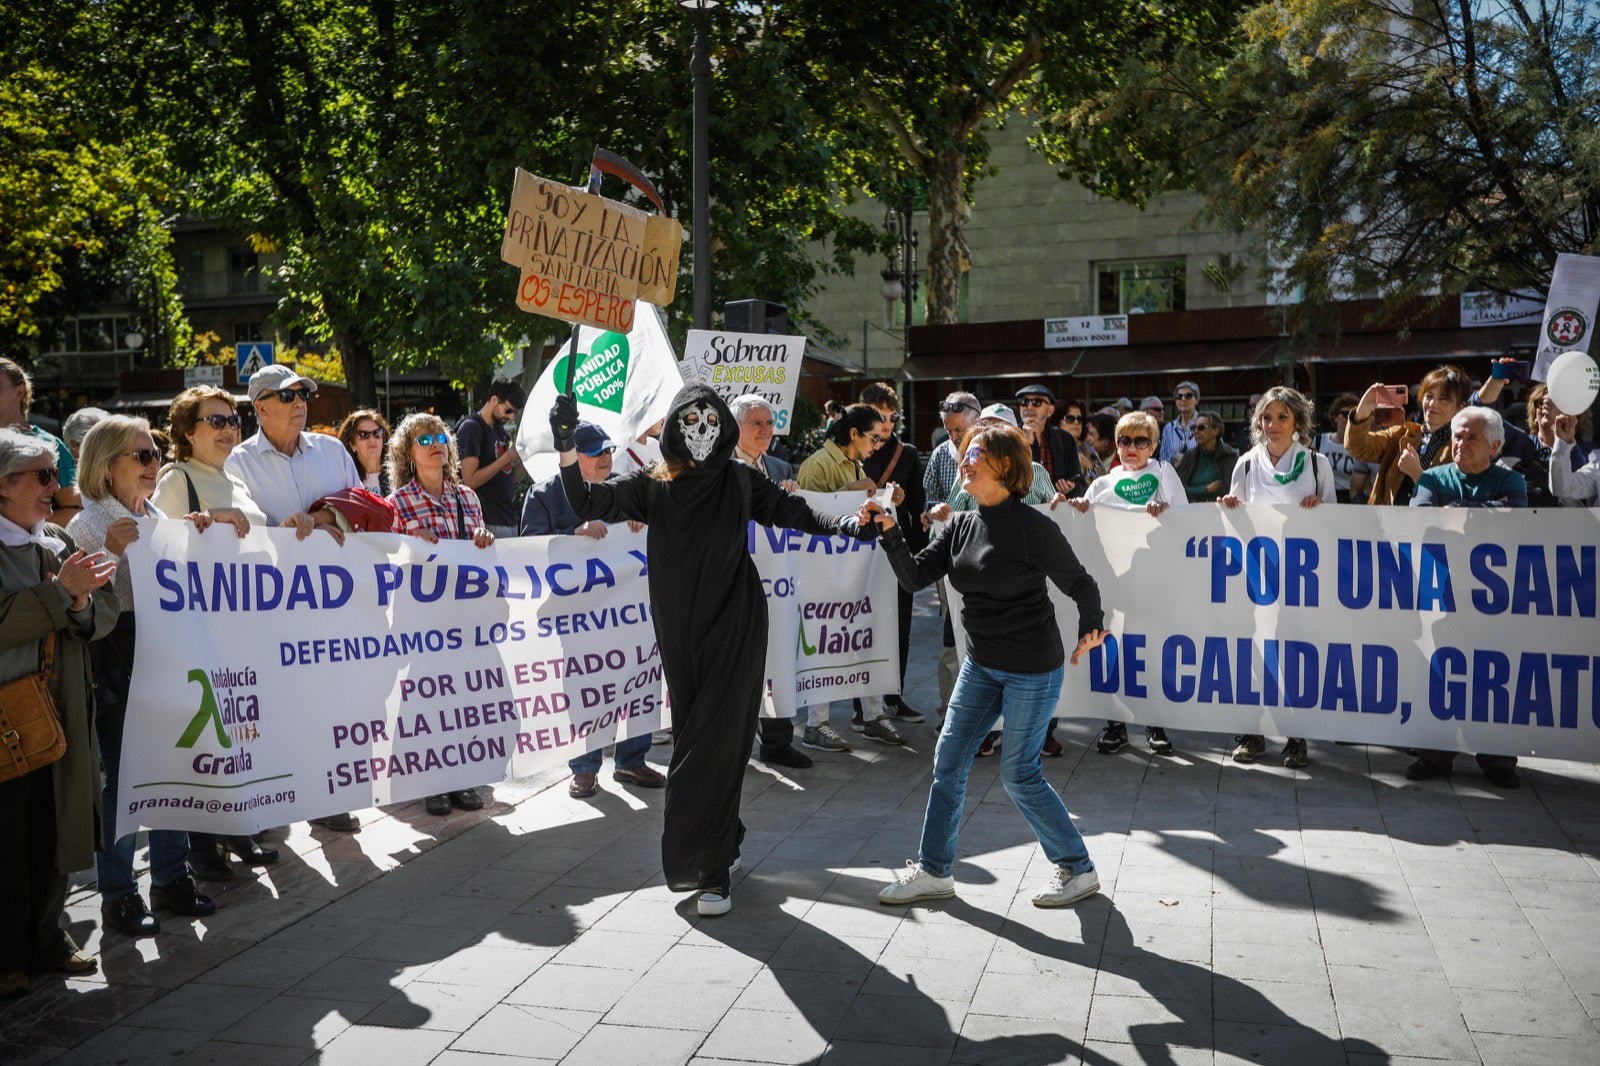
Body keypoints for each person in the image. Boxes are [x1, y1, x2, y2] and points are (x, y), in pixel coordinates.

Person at [549, 383, 878, 915]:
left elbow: (793, 512)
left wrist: (848, 525)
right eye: (690, 424)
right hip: (680, 631)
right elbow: (588, 499)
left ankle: (712, 870)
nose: (700, 433)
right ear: (675, 430)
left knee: (714, 741)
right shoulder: (653, 485)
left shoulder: (740, 480)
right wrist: (566, 444)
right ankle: (725, 836)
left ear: (722, 428)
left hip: (737, 624)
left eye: (709, 423)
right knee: (698, 740)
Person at [866, 423, 1107, 908]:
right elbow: (913, 578)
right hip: (980, 665)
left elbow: (1081, 584)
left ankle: (1078, 869)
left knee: (1018, 774)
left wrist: (1091, 629)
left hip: (1032, 668)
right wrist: (890, 531)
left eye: (977, 454)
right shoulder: (959, 524)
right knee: (948, 762)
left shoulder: (1033, 527)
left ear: (1006, 468)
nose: (965, 460)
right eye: (964, 453)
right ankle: (934, 872)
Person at [69, 417, 245, 938]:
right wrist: (113, 552)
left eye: (156, 455)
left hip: (166, 655)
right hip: (119, 663)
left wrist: (205, 529)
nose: (154, 466)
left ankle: (170, 878)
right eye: (142, 457)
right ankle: (119, 895)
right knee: (123, 781)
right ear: (107, 465)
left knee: (176, 769)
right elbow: (82, 605)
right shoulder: (87, 523)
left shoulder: (153, 516)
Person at [0, 428, 117, 996]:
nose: (56, 485)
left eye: (56, 473)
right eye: (42, 475)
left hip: (59, 709)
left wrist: (79, 601)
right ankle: (7, 955)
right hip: (8, 718)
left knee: (56, 827)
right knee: (8, 838)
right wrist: (59, 595)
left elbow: (93, 619)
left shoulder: (52, 540)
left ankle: (47, 938)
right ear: (3, 486)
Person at [225, 364, 361, 829]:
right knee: (275, 705)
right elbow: (235, 529)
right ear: (259, 406)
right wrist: (279, 529)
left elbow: (364, 510)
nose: (300, 403)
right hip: (269, 606)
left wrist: (325, 520)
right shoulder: (236, 461)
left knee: (326, 702)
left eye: (304, 395)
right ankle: (273, 799)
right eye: (287, 397)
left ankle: (325, 797)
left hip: (330, 603)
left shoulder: (332, 450)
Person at [151, 386, 278, 881]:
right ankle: (202, 848)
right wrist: (202, 522)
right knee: (208, 739)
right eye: (216, 422)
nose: (229, 430)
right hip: (201, 635)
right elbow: (157, 540)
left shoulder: (236, 481)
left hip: (244, 632)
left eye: (233, 421)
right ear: (187, 432)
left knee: (239, 734)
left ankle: (238, 829)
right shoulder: (177, 478)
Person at [521, 421, 666, 797]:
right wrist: (573, 537)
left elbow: (658, 525)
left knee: (638, 678)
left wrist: (641, 517)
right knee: (585, 687)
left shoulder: (624, 486)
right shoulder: (543, 495)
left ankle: (632, 761)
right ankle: (584, 768)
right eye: (596, 452)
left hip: (627, 612)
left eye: (608, 450)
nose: (606, 458)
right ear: (571, 457)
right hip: (577, 616)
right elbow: (529, 550)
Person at [1406, 407, 1526, 788]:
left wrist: (1455, 512)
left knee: (1493, 676)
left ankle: (1498, 760)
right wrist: (1471, 516)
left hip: (1496, 604)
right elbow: (1421, 514)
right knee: (1444, 674)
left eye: (1470, 437)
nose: (1460, 444)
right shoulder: (1433, 477)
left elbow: (1512, 516)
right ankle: (1436, 756)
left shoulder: (1512, 481)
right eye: (1456, 436)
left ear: (1494, 445)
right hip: (1445, 599)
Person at [386, 413, 497, 816]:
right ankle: (430, 782)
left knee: (463, 695)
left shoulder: (467, 497)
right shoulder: (397, 503)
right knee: (426, 698)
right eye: (424, 439)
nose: (435, 443)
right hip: (423, 620)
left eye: (440, 437)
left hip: (464, 618)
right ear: (407, 453)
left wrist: (483, 538)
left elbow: (479, 547)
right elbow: (384, 561)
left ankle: (461, 777)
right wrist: (406, 542)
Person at [1220, 387, 1335, 770]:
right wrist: (1229, 506)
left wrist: (1318, 510)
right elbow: (1233, 520)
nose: (1273, 425)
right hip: (1255, 578)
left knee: (1293, 652)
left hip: (1300, 579)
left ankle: (1295, 737)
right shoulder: (1247, 465)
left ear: (1298, 421)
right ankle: (1251, 733)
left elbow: (1337, 523)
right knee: (1252, 651)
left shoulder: (1317, 465)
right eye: (1266, 417)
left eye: (1282, 417)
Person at [1068, 410, 1184, 757]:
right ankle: (1115, 724)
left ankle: (1154, 724)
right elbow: (1085, 527)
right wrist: (1076, 507)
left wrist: (1166, 511)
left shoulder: (1164, 475)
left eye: (1140, 441)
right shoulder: (1103, 484)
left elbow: (1190, 520)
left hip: (1153, 584)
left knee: (1150, 650)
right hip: (1113, 586)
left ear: (1153, 445)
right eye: (1124, 441)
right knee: (1114, 652)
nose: (1131, 448)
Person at [794, 404, 905, 751]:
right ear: (853, 434)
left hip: (854, 571)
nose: (877, 445)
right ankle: (816, 724)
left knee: (864, 637)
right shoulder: (818, 464)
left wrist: (888, 500)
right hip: (824, 572)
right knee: (824, 642)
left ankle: (872, 716)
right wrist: (854, 491)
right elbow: (808, 514)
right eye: (873, 437)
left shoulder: (854, 462)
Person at [727, 395, 812, 771]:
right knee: (738, 667)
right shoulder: (719, 469)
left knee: (779, 658)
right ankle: (733, 748)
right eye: (756, 424)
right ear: (736, 428)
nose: (765, 430)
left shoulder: (779, 467)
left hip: (778, 588)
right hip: (736, 586)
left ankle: (777, 743)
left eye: (769, 423)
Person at [857, 382, 927, 727]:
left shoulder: (908, 454)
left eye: (891, 417)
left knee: (899, 625)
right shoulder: (855, 450)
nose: (886, 424)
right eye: (879, 417)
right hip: (858, 553)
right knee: (860, 622)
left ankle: (894, 697)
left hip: (897, 551)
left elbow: (917, 506)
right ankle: (860, 705)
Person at [922, 392, 981, 722]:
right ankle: (949, 712)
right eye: (949, 430)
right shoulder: (941, 455)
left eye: (959, 430)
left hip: (988, 557)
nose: (954, 437)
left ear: (977, 419)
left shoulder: (994, 450)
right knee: (951, 635)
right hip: (952, 556)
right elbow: (928, 500)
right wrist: (933, 510)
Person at [1344, 365, 1473, 506]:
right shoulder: (1402, 433)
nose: (1432, 404)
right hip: (1388, 525)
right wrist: (1363, 410)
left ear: (1461, 407)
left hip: (1432, 526)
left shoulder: (1464, 447)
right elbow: (1357, 447)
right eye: (1428, 396)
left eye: (1443, 399)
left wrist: (1418, 475)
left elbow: (1455, 502)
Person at [0, 359, 80, 526]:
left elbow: (74, 510)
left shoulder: (50, 444)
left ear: (19, 392)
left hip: (34, 549)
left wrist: (21, 527)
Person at [456, 378, 526, 538]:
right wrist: (507, 456)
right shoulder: (471, 428)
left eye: (515, 413)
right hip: (485, 523)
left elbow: (506, 477)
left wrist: (524, 462)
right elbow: (469, 481)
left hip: (508, 519)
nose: (511, 417)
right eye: (508, 410)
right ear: (494, 400)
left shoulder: (500, 431)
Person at [1013, 384, 1082, 495]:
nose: (1029, 407)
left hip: (1056, 509)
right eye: (1024, 401)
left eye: (1037, 402)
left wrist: (1070, 488)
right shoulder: (1009, 437)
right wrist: (1027, 444)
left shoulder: (1064, 439)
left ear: (1050, 411)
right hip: (1022, 508)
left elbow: (1079, 481)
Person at [1317, 394, 1374, 504]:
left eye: (1354, 415)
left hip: (1350, 500)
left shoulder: (1363, 446)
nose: (1349, 419)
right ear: (1335, 417)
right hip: (1322, 499)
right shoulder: (1319, 441)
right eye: (1345, 414)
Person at [1173, 410, 1238, 503]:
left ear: (1215, 431)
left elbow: (1232, 490)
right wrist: (1206, 489)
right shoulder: (1189, 456)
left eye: (1201, 428)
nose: (1196, 431)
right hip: (1191, 511)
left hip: (1221, 511)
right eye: (1193, 428)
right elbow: (1176, 491)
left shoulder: (1230, 456)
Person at [337, 409, 392, 495]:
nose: (372, 439)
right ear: (352, 444)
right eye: (363, 435)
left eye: (377, 433)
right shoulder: (345, 481)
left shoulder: (398, 476)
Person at [1159, 382, 1201, 462]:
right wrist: (1172, 459)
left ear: (1197, 400)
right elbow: (1162, 459)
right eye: (1179, 396)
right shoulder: (1169, 428)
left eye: (1188, 396)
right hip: (1174, 473)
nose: (1183, 399)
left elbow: (1215, 455)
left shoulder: (1207, 425)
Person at [1083, 411, 1117, 479]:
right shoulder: (1083, 457)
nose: (1087, 439)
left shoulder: (1122, 463)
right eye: (1086, 434)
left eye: (1091, 434)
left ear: (1107, 441)